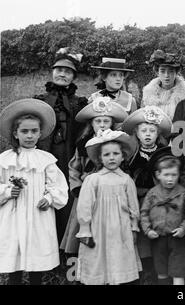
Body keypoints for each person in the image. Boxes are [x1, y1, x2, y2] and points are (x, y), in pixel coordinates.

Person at [0, 99, 68, 285]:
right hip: (12, 215)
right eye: (24, 131)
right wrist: (6, 191)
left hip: (37, 215)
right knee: (15, 259)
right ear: (16, 133)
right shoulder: (5, 160)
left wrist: (49, 197)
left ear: (40, 133)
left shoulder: (46, 160)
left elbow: (59, 186)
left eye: (34, 131)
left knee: (36, 262)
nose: (29, 136)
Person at [60, 96, 128, 255]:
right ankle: (80, 265)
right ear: (91, 124)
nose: (102, 125)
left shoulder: (117, 144)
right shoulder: (83, 143)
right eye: (98, 121)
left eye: (106, 121)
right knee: (82, 226)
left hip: (110, 194)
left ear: (112, 123)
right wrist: (77, 188)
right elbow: (74, 167)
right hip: (86, 192)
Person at [33, 47, 87, 241]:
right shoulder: (38, 100)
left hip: (67, 154)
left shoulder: (79, 102)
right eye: (59, 70)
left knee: (64, 192)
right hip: (43, 153)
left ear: (73, 76)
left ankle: (64, 244)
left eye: (67, 71)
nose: (62, 74)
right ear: (52, 71)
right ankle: (42, 243)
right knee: (41, 190)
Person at [75, 130, 141, 285]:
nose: (112, 158)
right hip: (98, 228)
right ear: (100, 158)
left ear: (123, 156)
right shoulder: (93, 180)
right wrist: (85, 229)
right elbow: (84, 206)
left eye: (116, 154)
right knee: (98, 259)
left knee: (119, 259)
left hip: (121, 229)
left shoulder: (126, 180)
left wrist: (134, 227)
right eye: (107, 155)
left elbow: (133, 206)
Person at [121, 105, 172, 284]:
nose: (148, 134)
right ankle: (143, 273)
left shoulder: (164, 153)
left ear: (158, 134)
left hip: (159, 202)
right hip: (138, 200)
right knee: (141, 238)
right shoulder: (130, 155)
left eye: (152, 131)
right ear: (136, 132)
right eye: (144, 130)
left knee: (159, 235)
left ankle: (161, 274)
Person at [140, 147, 185, 285]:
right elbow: (144, 213)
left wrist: (183, 229)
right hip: (158, 238)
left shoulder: (183, 193)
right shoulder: (152, 193)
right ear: (158, 175)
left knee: (178, 271)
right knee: (161, 271)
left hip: (177, 239)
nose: (170, 179)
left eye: (174, 175)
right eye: (166, 175)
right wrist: (148, 230)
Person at [142, 50, 185, 120]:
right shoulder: (147, 95)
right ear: (157, 72)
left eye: (171, 71)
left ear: (176, 72)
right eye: (162, 71)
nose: (166, 75)